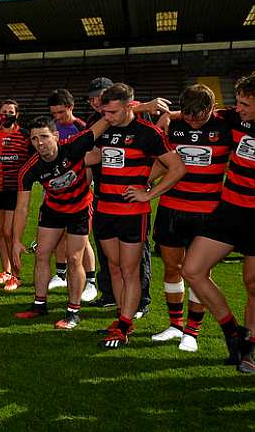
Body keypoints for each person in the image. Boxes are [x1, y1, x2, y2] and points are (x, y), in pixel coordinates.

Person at [182, 70, 255, 373]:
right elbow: (192, 115)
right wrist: (144, 108)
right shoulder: (234, 118)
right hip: (229, 209)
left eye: (244, 103)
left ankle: (248, 351)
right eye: (238, 102)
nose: (238, 108)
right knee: (192, 270)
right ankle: (233, 331)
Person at [92, 83, 185, 349]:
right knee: (114, 267)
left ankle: (124, 325)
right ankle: (122, 319)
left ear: (128, 106)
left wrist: (149, 193)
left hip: (132, 213)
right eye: (104, 112)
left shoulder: (149, 133)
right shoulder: (104, 129)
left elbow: (177, 168)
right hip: (104, 210)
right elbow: (92, 153)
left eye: (111, 112)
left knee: (130, 270)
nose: (106, 117)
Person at [149, 84, 231, 352]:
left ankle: (192, 332)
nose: (193, 121)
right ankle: (175, 325)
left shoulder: (226, 125)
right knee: (172, 268)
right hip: (171, 208)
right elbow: (163, 161)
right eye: (188, 115)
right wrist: (147, 182)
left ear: (212, 109)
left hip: (208, 212)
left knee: (199, 273)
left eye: (199, 116)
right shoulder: (175, 124)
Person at [11, 116, 110, 329]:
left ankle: (73, 312)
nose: (40, 143)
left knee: (74, 259)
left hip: (81, 208)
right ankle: (39, 305)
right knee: (41, 254)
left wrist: (143, 108)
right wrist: (16, 241)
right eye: (35, 138)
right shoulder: (29, 168)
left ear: (56, 136)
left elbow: (106, 121)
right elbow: (22, 207)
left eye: (44, 137)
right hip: (53, 209)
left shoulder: (73, 146)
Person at [85, 78, 158, 315]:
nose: (97, 103)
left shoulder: (143, 125)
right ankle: (115, 304)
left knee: (133, 263)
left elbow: (170, 163)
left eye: (101, 97)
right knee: (113, 263)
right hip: (104, 200)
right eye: (93, 98)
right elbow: (90, 155)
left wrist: (146, 186)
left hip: (131, 205)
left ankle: (139, 304)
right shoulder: (99, 122)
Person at [45, 89, 98, 302]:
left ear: (70, 107)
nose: (56, 117)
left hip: (79, 193)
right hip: (56, 191)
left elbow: (90, 159)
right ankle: (61, 274)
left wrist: (84, 185)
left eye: (60, 112)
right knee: (58, 234)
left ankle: (91, 281)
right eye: (53, 113)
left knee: (81, 239)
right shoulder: (52, 129)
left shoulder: (82, 128)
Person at [0, 99, 31, 291]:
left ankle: (16, 275)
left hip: (15, 190)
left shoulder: (24, 136)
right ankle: (5, 270)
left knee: (9, 232)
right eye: (4, 111)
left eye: (11, 111)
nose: (7, 114)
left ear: (17, 114)